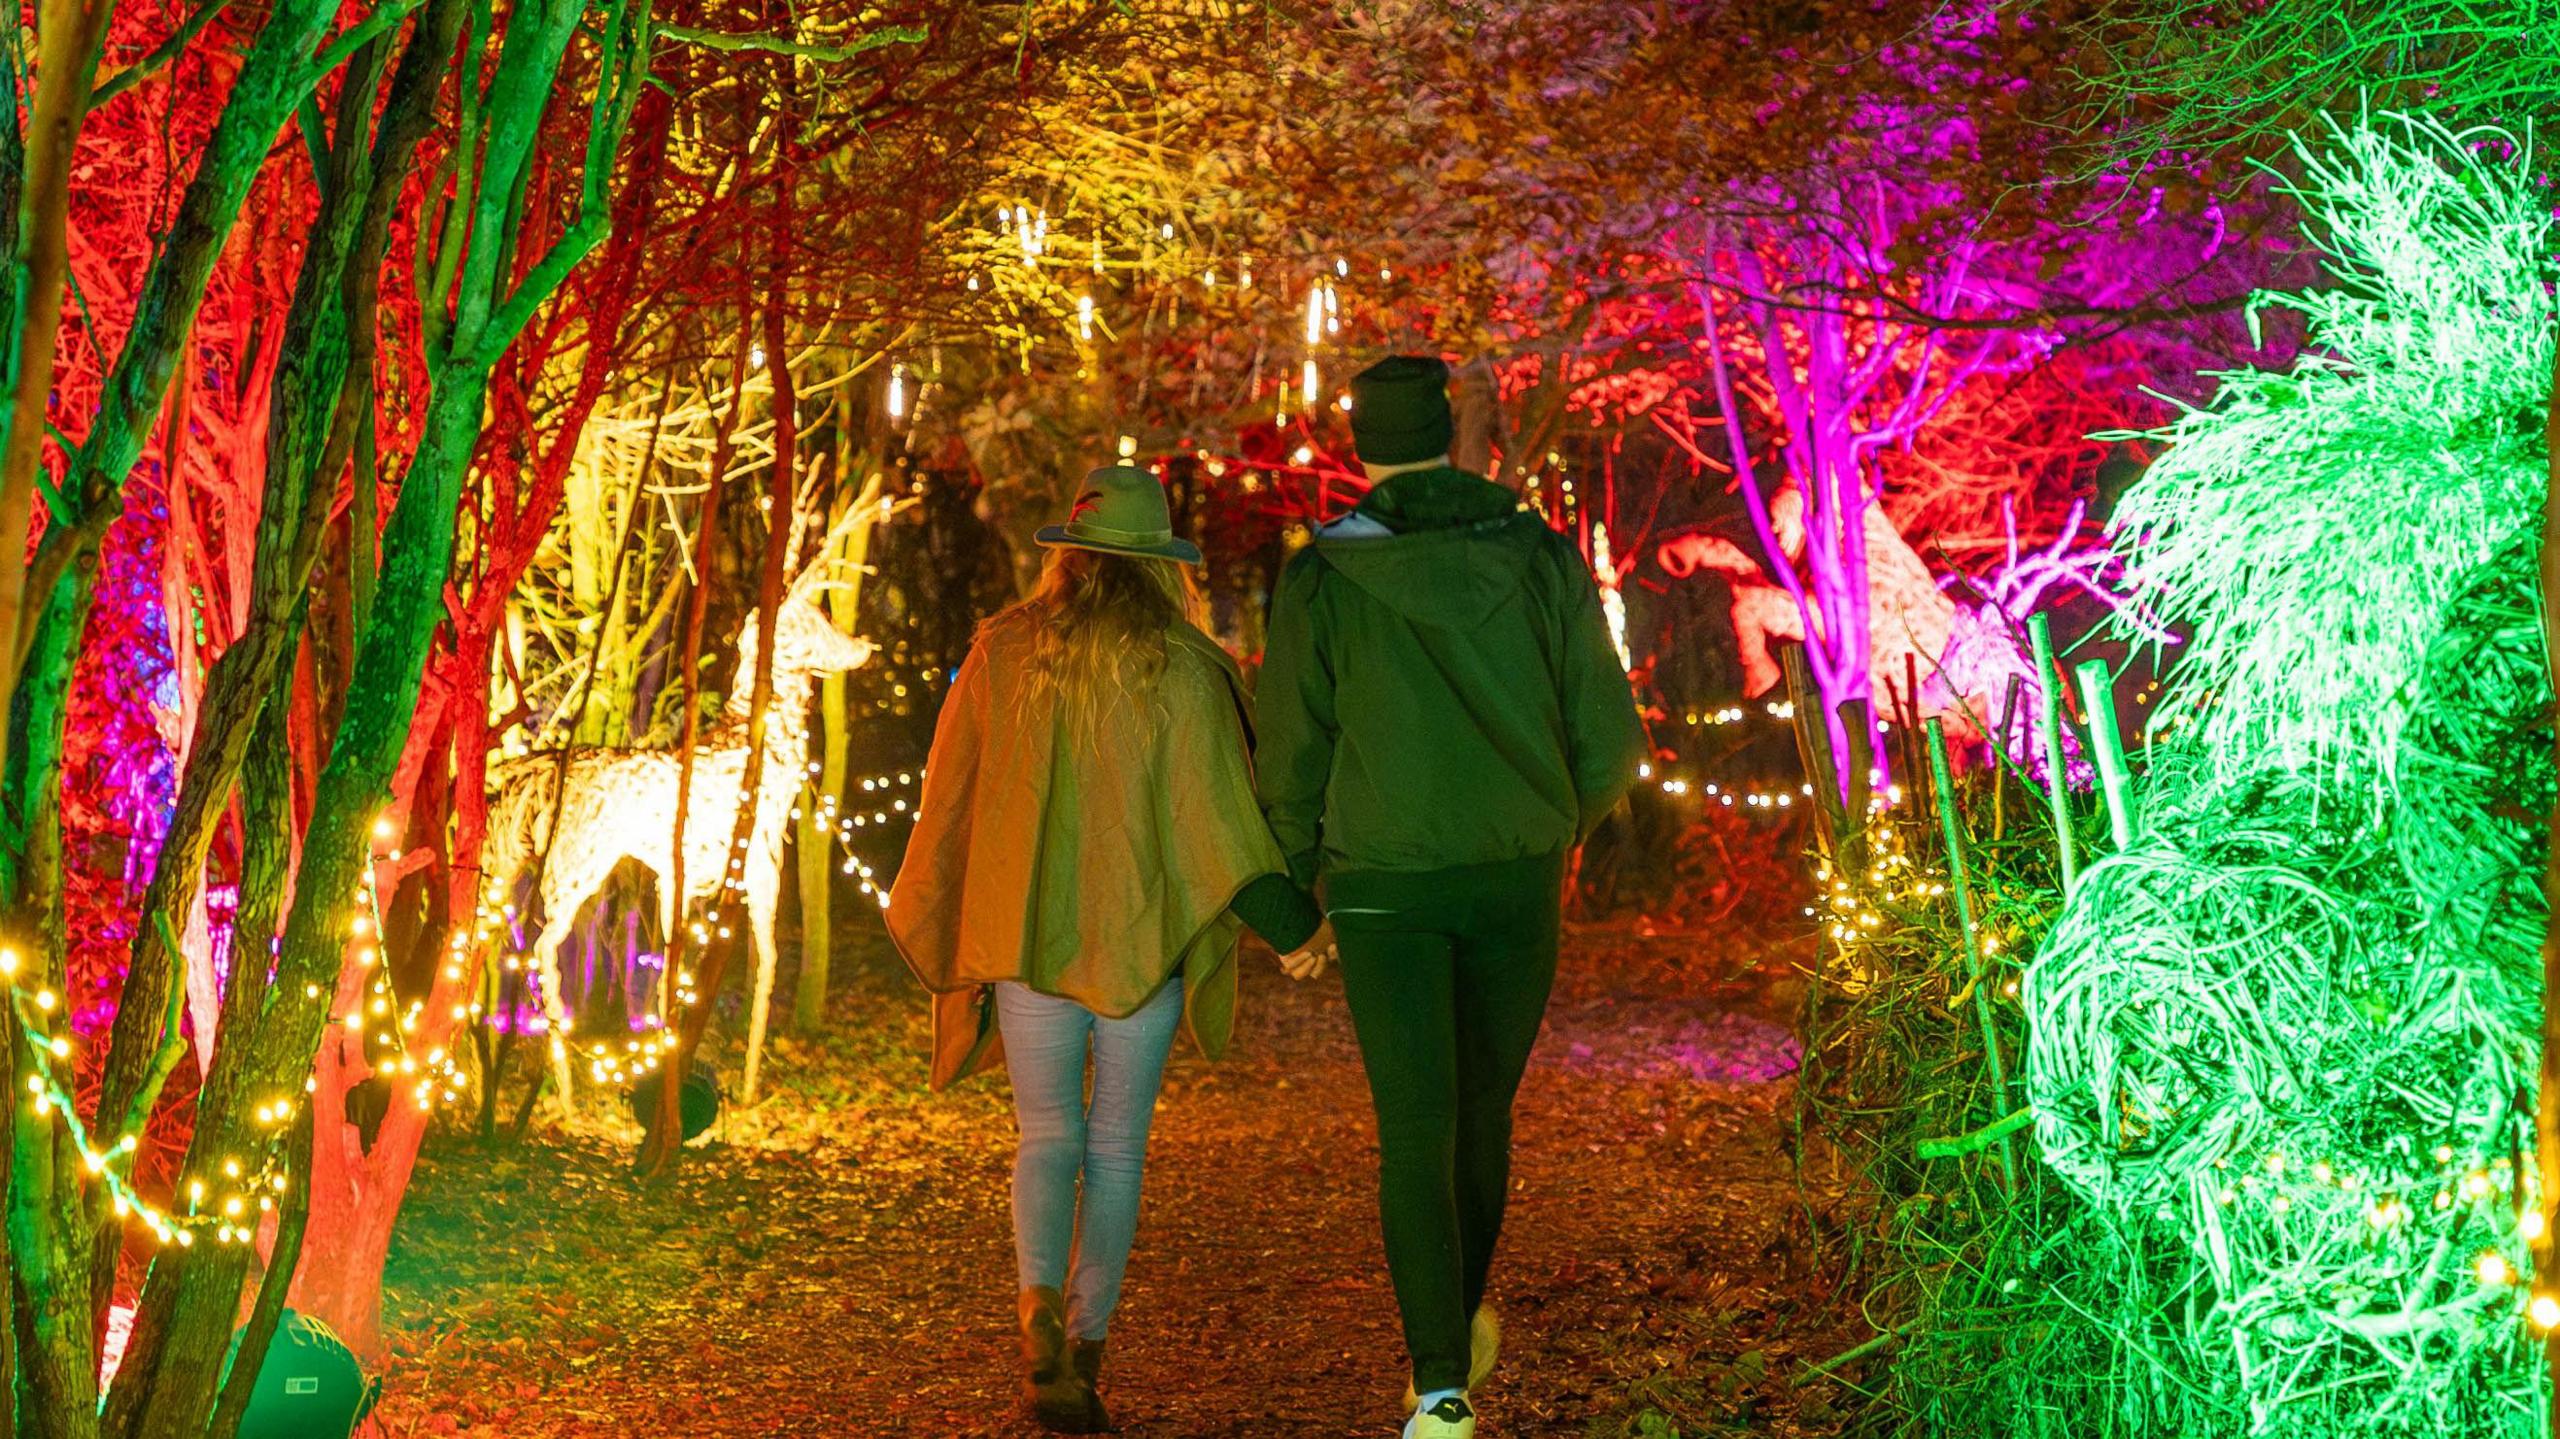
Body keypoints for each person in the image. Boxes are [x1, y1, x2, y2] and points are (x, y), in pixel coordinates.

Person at [888, 464, 1336, 1434]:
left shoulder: (1003, 651)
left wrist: (950, 904)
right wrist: (1293, 925)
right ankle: (1086, 1348)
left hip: (1028, 939)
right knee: (1116, 1146)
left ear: (1070, 555)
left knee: (1044, 1136)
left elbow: (951, 795)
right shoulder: (1185, 666)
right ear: (1160, 564)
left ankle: (1034, 1308)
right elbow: (1219, 820)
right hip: (1142, 952)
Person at [1257, 356, 1647, 1439]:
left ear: (1359, 448)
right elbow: (1610, 738)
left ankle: (1438, 1384)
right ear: (1452, 436)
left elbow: (1292, 746)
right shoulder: (1537, 556)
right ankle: (1455, 1320)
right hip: (1512, 870)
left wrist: (1293, 882)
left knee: (1412, 1122)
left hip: (1382, 877)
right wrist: (1550, 817)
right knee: (1480, 1113)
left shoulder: (1322, 575)